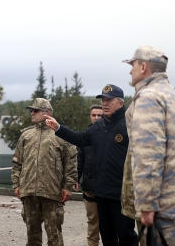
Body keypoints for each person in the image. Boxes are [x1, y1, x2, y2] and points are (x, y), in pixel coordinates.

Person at [121, 45, 175, 246]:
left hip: (166, 210)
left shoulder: (148, 98)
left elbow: (149, 153)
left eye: (132, 64)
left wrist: (146, 203)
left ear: (143, 66)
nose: (130, 69)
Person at [45, 85, 138, 246]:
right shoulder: (99, 125)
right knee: (107, 236)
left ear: (121, 103)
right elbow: (80, 139)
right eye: (103, 100)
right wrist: (58, 128)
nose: (105, 103)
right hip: (101, 192)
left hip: (122, 194)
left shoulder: (130, 125)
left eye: (109, 100)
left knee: (126, 235)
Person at [12, 98, 77, 246]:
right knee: (32, 236)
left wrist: (67, 186)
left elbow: (71, 162)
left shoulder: (60, 135)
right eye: (31, 111)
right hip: (29, 192)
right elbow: (17, 162)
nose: (32, 113)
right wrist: (17, 184)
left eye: (35, 110)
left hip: (51, 192)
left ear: (47, 113)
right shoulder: (26, 136)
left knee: (54, 236)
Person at [78, 105, 103, 246]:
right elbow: (79, 160)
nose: (96, 118)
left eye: (99, 115)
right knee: (93, 223)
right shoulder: (84, 137)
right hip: (89, 187)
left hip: (109, 189)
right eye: (94, 115)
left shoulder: (110, 134)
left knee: (110, 226)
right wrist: (76, 178)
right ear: (90, 117)